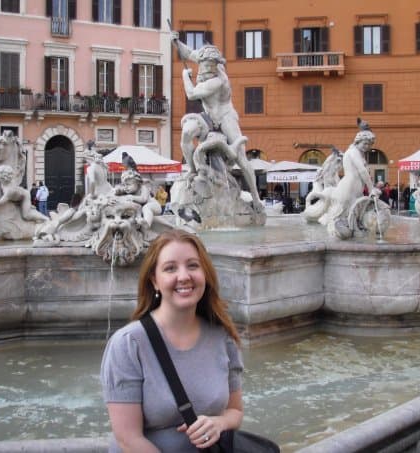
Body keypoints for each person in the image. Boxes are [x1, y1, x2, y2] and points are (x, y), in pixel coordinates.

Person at [100, 229, 244, 452]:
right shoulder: (128, 344)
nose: (184, 276)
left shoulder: (222, 338)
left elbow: (235, 412)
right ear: (154, 281)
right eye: (170, 268)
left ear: (205, 274)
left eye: (193, 265)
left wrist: (219, 423)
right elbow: (128, 439)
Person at [170, 33, 263, 214]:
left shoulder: (218, 80)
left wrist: (184, 76)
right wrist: (176, 42)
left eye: (213, 65)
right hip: (208, 116)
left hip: (225, 117)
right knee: (186, 133)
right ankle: (192, 169)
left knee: (241, 158)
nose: (209, 68)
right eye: (206, 65)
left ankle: (256, 197)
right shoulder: (203, 57)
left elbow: (191, 94)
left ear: (217, 64)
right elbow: (188, 53)